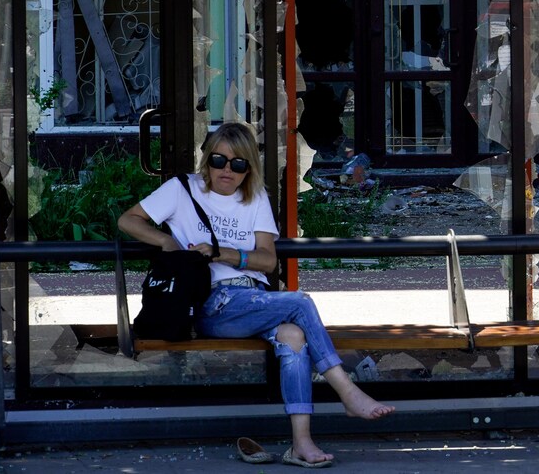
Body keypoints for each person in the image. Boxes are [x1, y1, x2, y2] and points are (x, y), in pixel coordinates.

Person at [118, 122, 394, 467]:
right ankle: (347, 390)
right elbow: (128, 220)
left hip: (256, 300)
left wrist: (224, 253)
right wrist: (167, 242)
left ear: (248, 167)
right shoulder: (182, 190)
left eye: (237, 164)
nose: (226, 171)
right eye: (218, 161)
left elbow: (267, 260)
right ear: (207, 159)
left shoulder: (255, 197)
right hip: (215, 303)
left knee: (293, 337)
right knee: (300, 300)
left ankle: (302, 444)